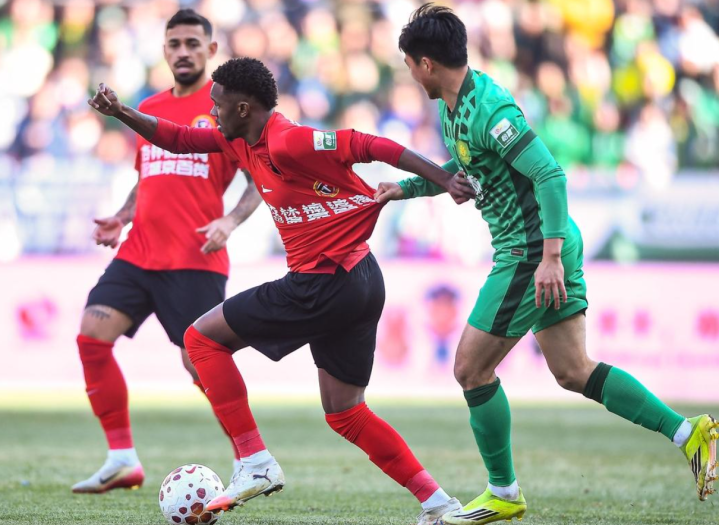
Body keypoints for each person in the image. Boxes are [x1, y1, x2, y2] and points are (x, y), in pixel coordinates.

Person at [87, 56, 476, 524]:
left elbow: (371, 144)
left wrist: (444, 179)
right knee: (345, 412)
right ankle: (439, 504)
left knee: (200, 340)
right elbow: (176, 138)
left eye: (217, 104)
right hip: (360, 278)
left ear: (244, 109)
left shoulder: (289, 140)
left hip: (323, 281)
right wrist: (121, 112)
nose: (211, 112)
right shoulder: (236, 140)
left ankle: (254, 462)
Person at [374, 4, 718, 524]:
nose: (409, 74)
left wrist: (550, 257)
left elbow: (550, 175)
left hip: (531, 250)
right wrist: (405, 187)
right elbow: (465, 166)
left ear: (425, 64)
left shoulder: (490, 110)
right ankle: (688, 433)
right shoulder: (455, 105)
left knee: (470, 368)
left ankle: (503, 491)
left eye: (408, 64)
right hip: (541, 247)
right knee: (574, 370)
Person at [73, 9, 262, 494]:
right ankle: (121, 459)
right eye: (174, 44)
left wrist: (229, 221)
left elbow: (258, 181)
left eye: (192, 44)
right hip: (139, 253)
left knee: (200, 362)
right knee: (92, 335)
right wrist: (122, 217)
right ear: (164, 50)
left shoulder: (225, 109)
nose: (183, 52)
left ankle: (252, 459)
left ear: (211, 50)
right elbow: (148, 177)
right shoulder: (150, 106)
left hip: (194, 257)